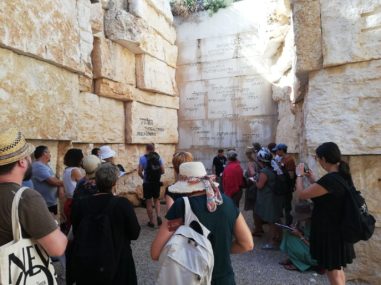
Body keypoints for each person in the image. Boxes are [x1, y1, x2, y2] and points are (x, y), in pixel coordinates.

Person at [151, 162, 253, 285]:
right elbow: (247, 244)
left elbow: (156, 252)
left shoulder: (182, 206)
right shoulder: (227, 202)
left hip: (193, 279)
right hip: (224, 279)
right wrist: (219, 250)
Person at [295, 142, 355, 285]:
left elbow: (302, 194)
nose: (318, 161)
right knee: (338, 269)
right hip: (338, 229)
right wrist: (311, 178)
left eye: (317, 158)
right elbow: (324, 190)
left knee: (333, 272)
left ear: (324, 159)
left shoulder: (330, 179)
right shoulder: (341, 175)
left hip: (330, 233)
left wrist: (299, 175)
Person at [0, 128, 67, 256]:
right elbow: (57, 248)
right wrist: (54, 224)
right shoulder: (26, 197)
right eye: (29, 156)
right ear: (22, 161)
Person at [71, 163, 141, 285]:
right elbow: (135, 233)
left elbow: (76, 231)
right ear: (115, 182)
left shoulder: (81, 204)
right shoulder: (123, 204)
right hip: (118, 259)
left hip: (89, 261)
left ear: (96, 180)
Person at [254, 148, 284, 250]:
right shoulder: (274, 168)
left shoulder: (264, 172)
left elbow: (260, 186)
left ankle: (272, 242)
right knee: (277, 219)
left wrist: (254, 181)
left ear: (260, 160)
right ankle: (280, 238)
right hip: (277, 197)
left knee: (271, 221)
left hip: (269, 199)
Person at [279, 203, 319, 273]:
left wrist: (299, 235)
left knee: (292, 241)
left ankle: (300, 264)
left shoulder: (316, 226)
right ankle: (294, 259)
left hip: (316, 255)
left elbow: (314, 247)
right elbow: (307, 234)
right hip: (310, 248)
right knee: (288, 234)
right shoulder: (308, 221)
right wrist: (296, 229)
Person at [32, 145, 64, 216]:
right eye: (49, 152)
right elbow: (53, 181)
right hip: (44, 204)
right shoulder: (38, 166)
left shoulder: (46, 165)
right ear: (44, 153)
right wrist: (64, 183)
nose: (50, 155)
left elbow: (56, 180)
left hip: (50, 202)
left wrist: (60, 185)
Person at [138, 143, 165, 228]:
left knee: (148, 202)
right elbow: (163, 171)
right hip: (156, 182)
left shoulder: (142, 158)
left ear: (146, 149)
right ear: (154, 149)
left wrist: (144, 178)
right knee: (156, 200)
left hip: (147, 183)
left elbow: (139, 171)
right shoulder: (158, 157)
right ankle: (158, 216)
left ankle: (151, 222)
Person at [273, 143, 296, 225]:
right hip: (282, 186)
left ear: (282, 150)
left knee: (287, 206)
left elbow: (291, 175)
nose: (276, 152)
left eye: (277, 150)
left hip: (287, 186)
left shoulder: (289, 160)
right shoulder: (282, 158)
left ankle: (288, 223)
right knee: (283, 203)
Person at [62, 148, 84, 230]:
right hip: (75, 202)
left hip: (69, 201)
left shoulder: (66, 170)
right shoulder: (75, 170)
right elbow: (84, 184)